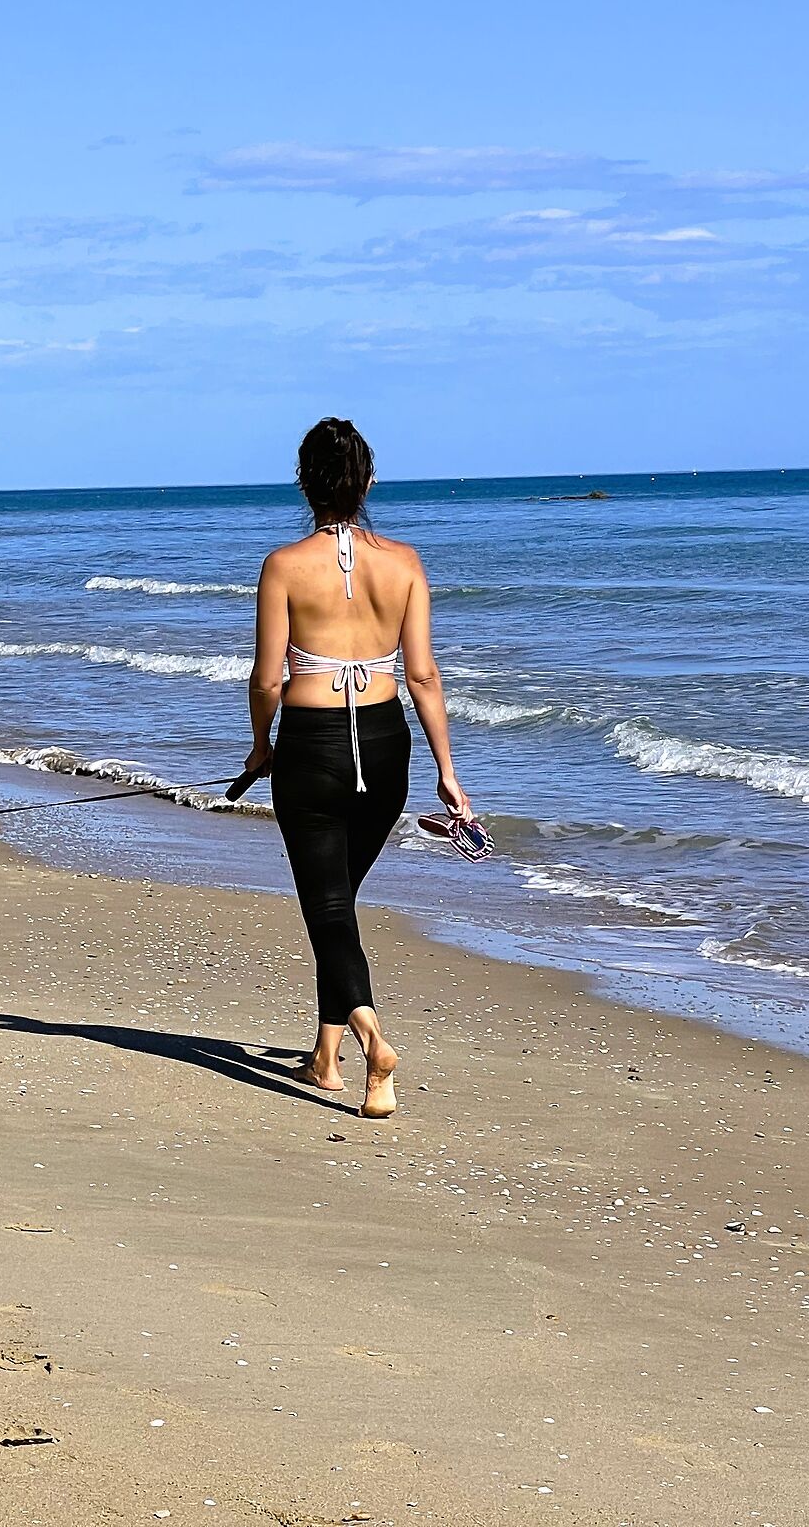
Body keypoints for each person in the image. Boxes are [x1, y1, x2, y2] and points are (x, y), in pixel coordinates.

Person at [242, 418, 469, 1119]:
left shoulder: (283, 565)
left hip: (311, 744)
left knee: (329, 906)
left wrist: (260, 744)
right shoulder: (404, 563)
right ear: (368, 481)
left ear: (305, 483)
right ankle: (324, 1056)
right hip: (386, 742)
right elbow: (424, 675)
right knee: (334, 902)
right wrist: (447, 769)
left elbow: (268, 678)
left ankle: (373, 1041)